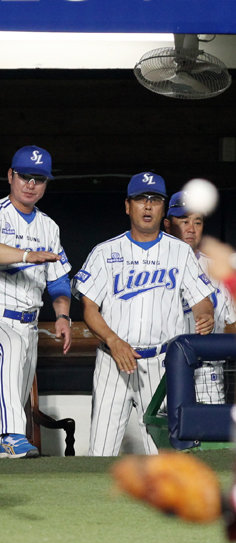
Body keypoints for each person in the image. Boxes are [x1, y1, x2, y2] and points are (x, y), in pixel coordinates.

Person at [72, 171, 215, 457]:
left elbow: (202, 299)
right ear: (128, 206)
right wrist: (113, 341)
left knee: (162, 454)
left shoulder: (180, 252)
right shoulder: (105, 252)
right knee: (101, 452)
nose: (147, 206)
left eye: (155, 200)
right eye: (140, 199)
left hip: (160, 363)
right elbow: (89, 307)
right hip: (113, 360)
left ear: (163, 208)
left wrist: (205, 314)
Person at [0, 145, 72, 459]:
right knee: (8, 346)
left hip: (29, 327)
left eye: (38, 179)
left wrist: (62, 316)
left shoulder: (49, 227)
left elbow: (59, 280)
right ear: (11, 175)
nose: (30, 184)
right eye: (25, 176)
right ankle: (13, 434)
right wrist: (26, 256)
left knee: (7, 400)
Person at [164, 191, 236, 404]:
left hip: (208, 374)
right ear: (167, 225)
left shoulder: (217, 270)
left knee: (210, 434)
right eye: (184, 221)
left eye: (197, 222)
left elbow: (232, 322)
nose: (191, 229)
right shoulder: (155, 270)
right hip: (165, 369)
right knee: (166, 434)